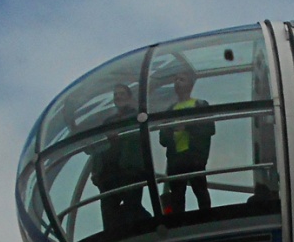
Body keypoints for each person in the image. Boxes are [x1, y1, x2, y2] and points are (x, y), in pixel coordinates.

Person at [90, 84, 148, 231]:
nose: (118, 97)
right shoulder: (108, 121)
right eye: (116, 94)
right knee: (109, 211)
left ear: (129, 97)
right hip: (108, 172)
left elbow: (138, 140)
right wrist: (96, 171)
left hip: (129, 169)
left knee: (132, 206)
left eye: (122, 94)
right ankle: (112, 236)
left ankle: (139, 231)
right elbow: (99, 146)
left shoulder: (136, 117)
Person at [159, 73, 216, 215]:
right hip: (175, 158)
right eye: (176, 79)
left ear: (190, 85)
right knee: (177, 194)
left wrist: (187, 127)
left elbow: (209, 128)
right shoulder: (170, 109)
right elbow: (163, 139)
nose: (177, 82)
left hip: (194, 156)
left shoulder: (200, 104)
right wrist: (171, 130)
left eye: (181, 79)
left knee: (200, 189)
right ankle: (179, 222)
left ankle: (206, 217)